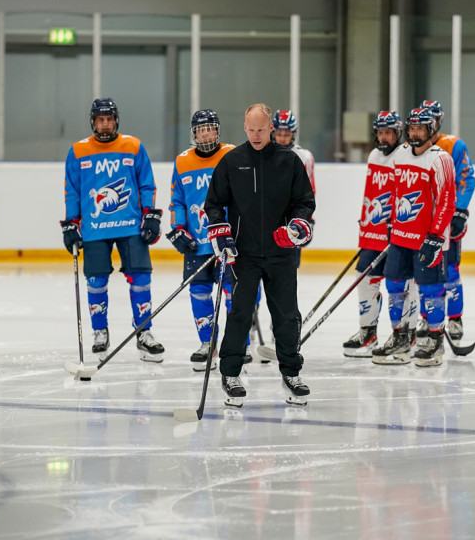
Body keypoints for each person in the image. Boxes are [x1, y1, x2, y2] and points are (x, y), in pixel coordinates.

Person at [204, 103, 315, 407]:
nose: (255, 134)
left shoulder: (288, 162)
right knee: (239, 314)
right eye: (250, 129)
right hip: (244, 255)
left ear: (271, 129)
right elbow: (213, 204)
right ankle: (230, 373)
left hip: (281, 253)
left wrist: (296, 226)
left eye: (261, 129)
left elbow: (305, 202)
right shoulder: (232, 161)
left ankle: (291, 373)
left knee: (287, 316)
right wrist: (221, 233)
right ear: (244, 127)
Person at [61, 97, 165, 362]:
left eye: (108, 119)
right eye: (100, 120)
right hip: (95, 229)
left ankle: (144, 333)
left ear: (116, 120)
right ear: (93, 122)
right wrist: (71, 223)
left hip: (130, 226)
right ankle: (100, 331)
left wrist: (150, 216)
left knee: (141, 279)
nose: (105, 125)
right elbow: (72, 190)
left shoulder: (133, 145)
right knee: (96, 282)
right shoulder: (78, 150)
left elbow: (146, 184)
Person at [370, 107, 457, 367]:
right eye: (412, 128)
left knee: (431, 289)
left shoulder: (441, 159)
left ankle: (434, 340)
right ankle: (400, 337)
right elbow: (397, 191)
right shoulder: (403, 155)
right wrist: (390, 223)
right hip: (400, 235)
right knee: (394, 285)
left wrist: (435, 236)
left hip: (427, 238)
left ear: (431, 130)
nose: (415, 133)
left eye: (420, 128)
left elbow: (447, 202)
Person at [342, 110, 420, 358]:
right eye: (380, 132)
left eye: (388, 132)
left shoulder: (405, 155)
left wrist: (398, 223)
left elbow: (407, 191)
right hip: (373, 231)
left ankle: (407, 333)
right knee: (365, 280)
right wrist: (366, 217)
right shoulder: (374, 155)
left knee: (402, 284)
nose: (384, 137)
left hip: (398, 233)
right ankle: (368, 331)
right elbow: (373, 190)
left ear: (398, 133)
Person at [168, 109, 237, 370]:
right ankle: (207, 343)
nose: (205, 133)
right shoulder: (183, 161)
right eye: (200, 129)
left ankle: (235, 342)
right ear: (194, 133)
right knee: (198, 291)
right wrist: (178, 230)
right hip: (198, 242)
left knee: (232, 292)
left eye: (210, 128)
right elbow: (178, 201)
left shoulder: (232, 154)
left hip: (228, 241)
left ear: (217, 130)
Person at [419, 99, 475, 342]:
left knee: (450, 270)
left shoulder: (453, 145)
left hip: (447, 219)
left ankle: (454, 318)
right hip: (420, 221)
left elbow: (467, 178)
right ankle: (426, 316)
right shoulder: (413, 147)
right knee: (422, 270)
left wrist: (460, 211)